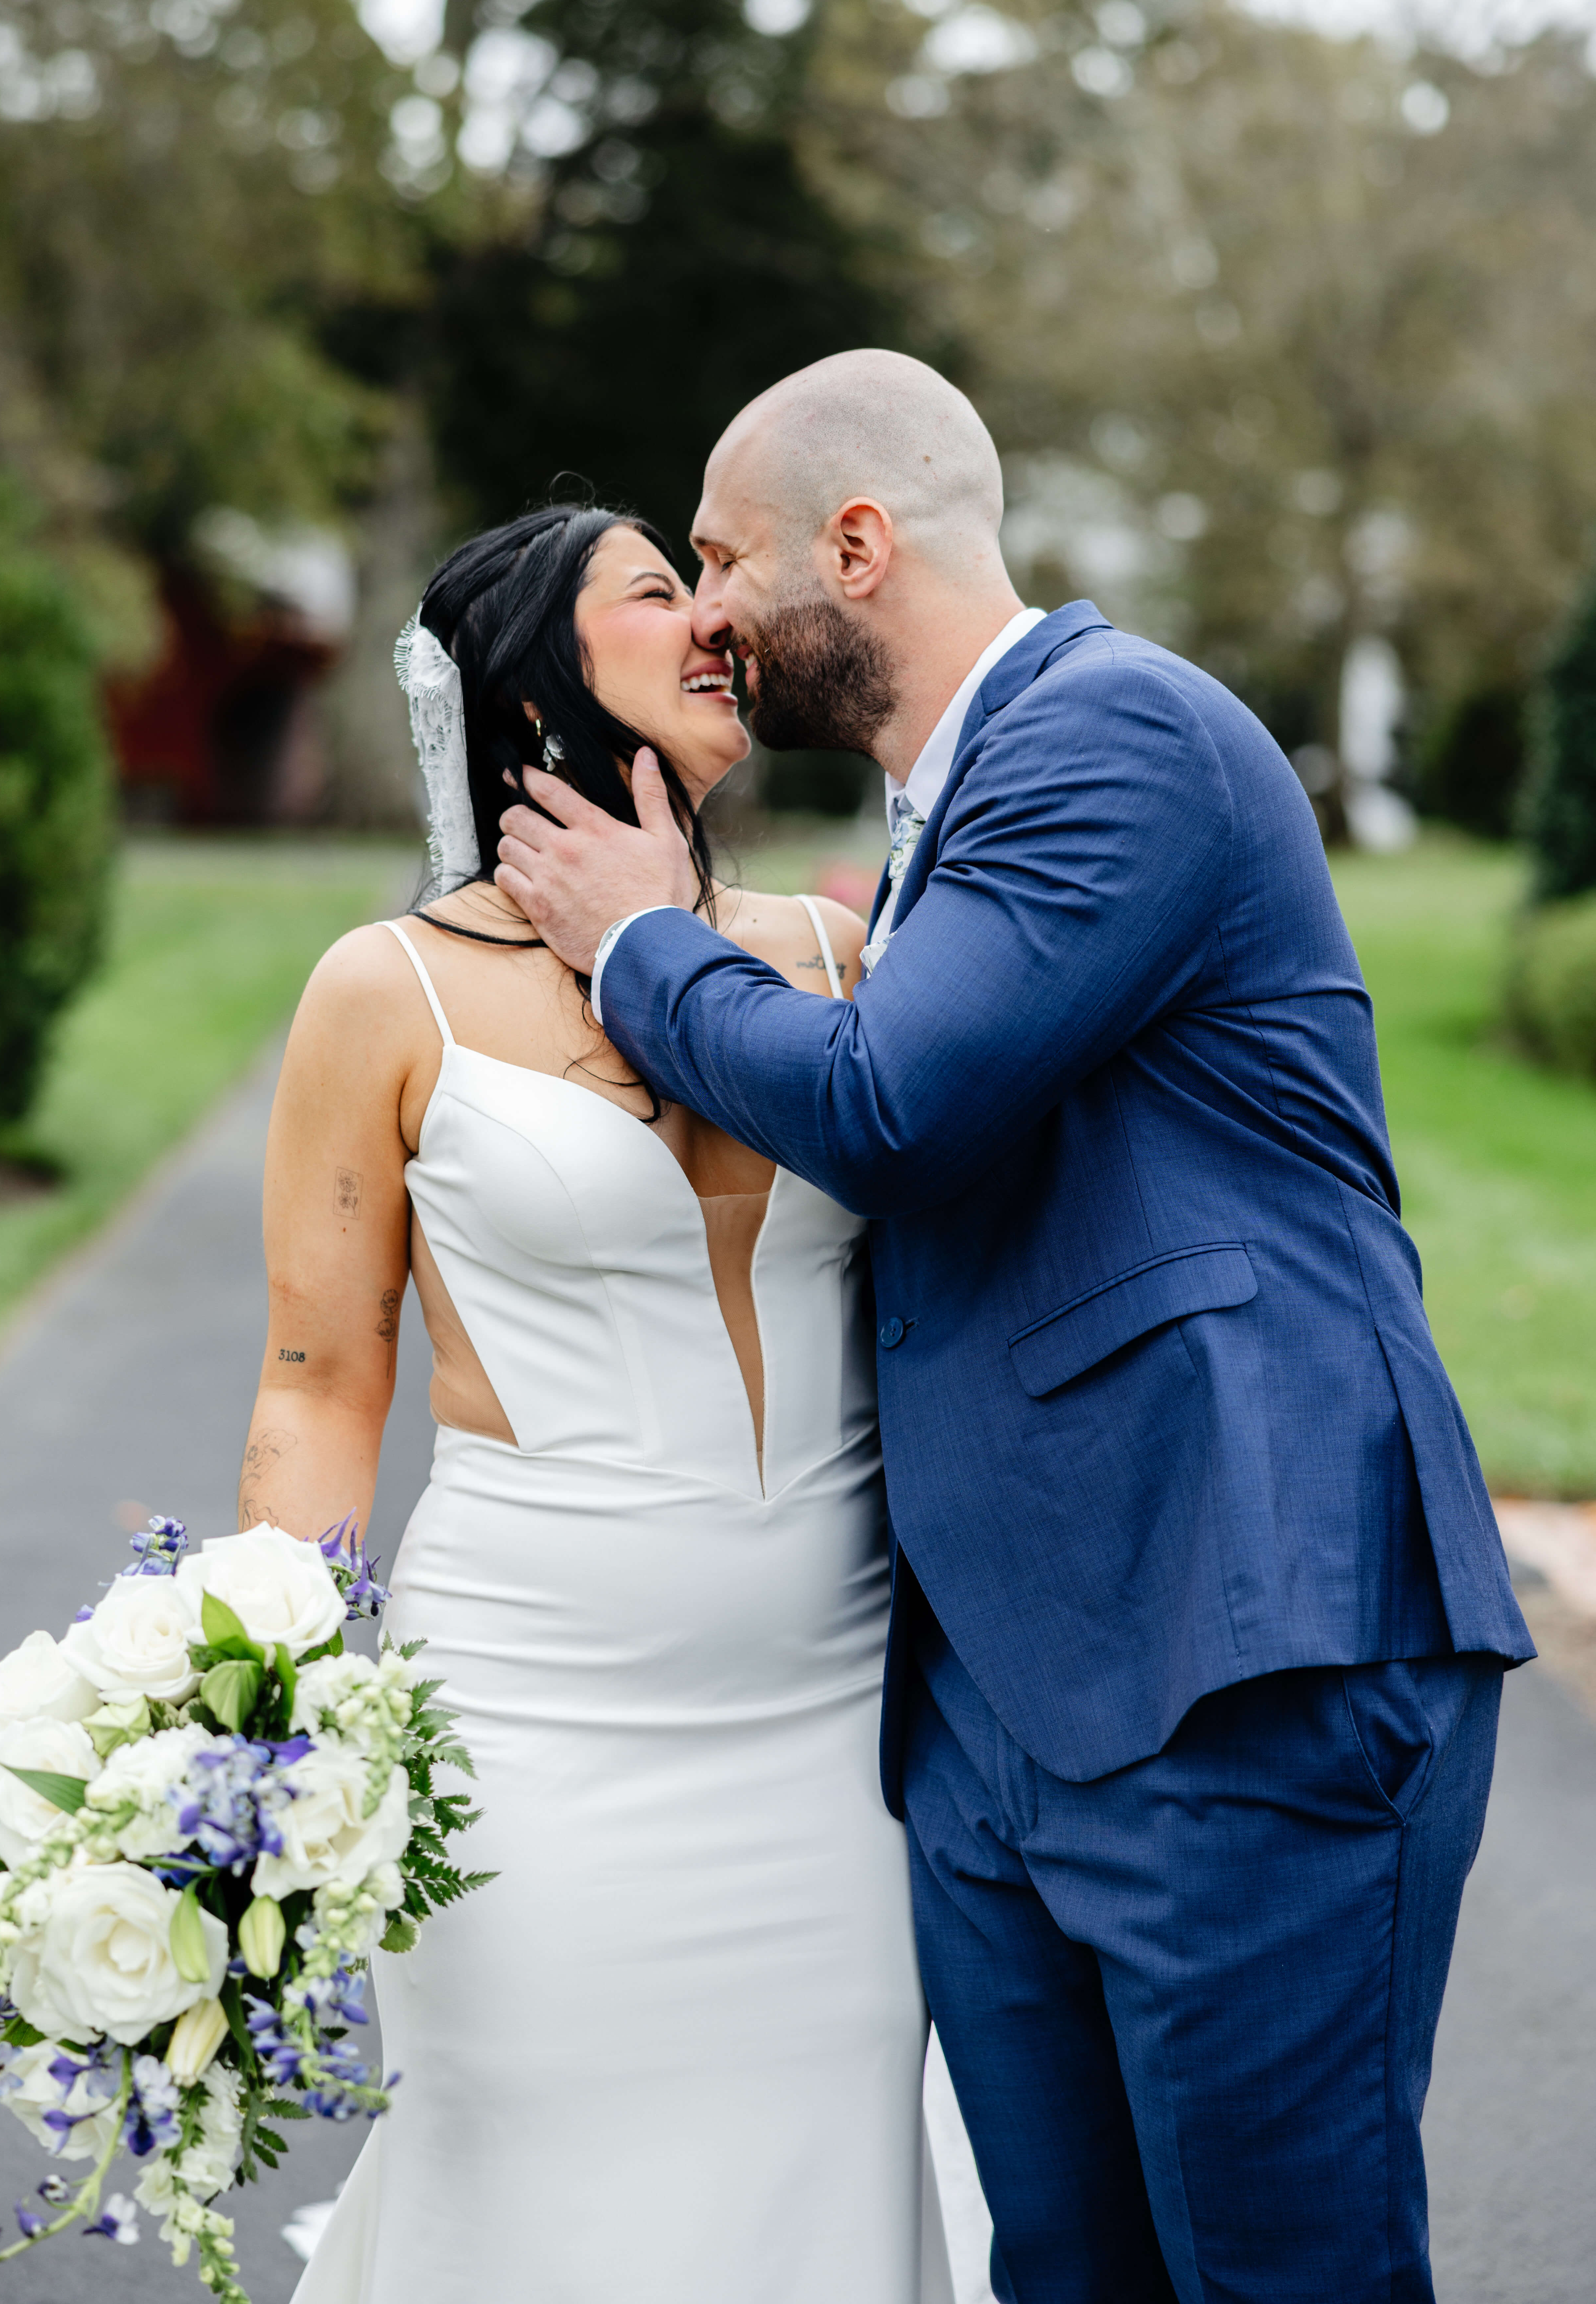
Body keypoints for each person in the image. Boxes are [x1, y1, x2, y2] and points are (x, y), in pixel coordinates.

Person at [492, 351, 1538, 2304]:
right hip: (1000, 1713)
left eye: (718, 561)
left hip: (1244, 1650)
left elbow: (896, 1107)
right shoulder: (944, 814)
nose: (702, 614)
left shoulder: (1117, 732)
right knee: (1063, 2273)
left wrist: (637, 939)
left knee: (1277, 2277)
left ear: (857, 548)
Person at [239, 503, 962, 2304]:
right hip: (533, 1745)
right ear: (536, 678)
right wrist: (266, 1712)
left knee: (833, 2192)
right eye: (661, 591)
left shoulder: (839, 955)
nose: (719, 616)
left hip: (838, 1750)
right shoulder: (386, 992)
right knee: (553, 2209)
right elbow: (319, 1385)